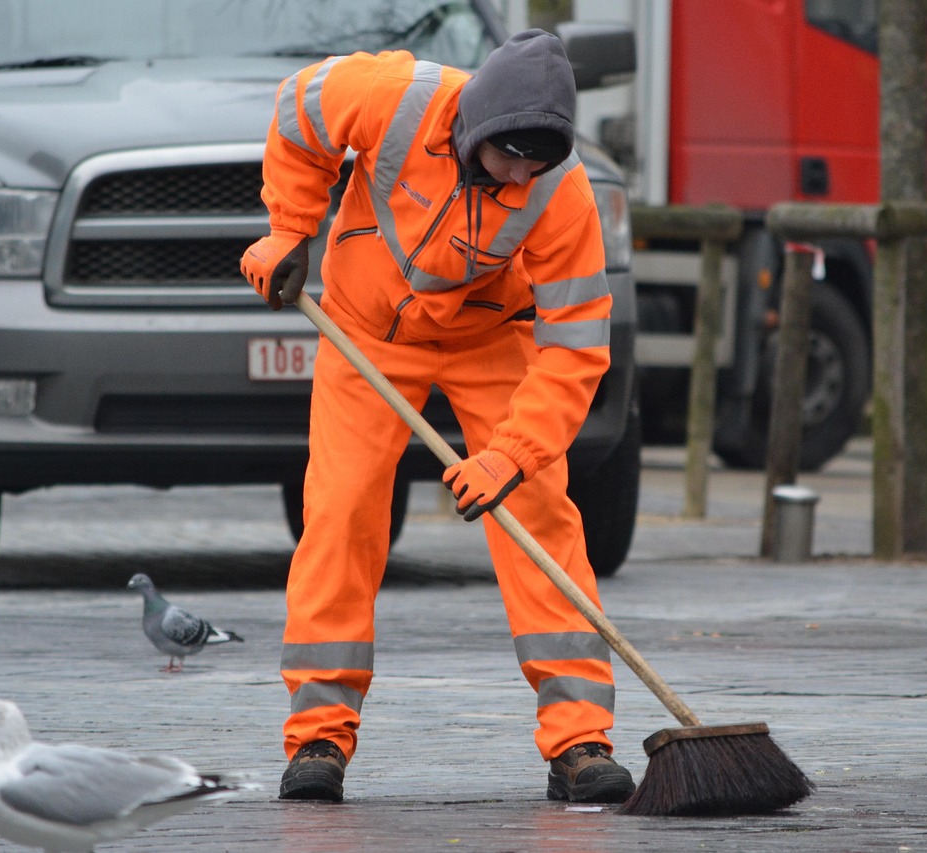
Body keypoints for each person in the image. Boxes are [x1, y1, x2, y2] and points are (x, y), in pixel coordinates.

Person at [240, 29, 635, 805]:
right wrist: (291, 227)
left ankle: (580, 738)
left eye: (538, 161)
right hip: (366, 332)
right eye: (509, 157)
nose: (522, 174)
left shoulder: (564, 193)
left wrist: (512, 453)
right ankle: (318, 735)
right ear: (476, 126)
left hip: (493, 337)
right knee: (343, 509)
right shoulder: (389, 96)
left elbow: (577, 348)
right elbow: (297, 112)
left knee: (539, 511)